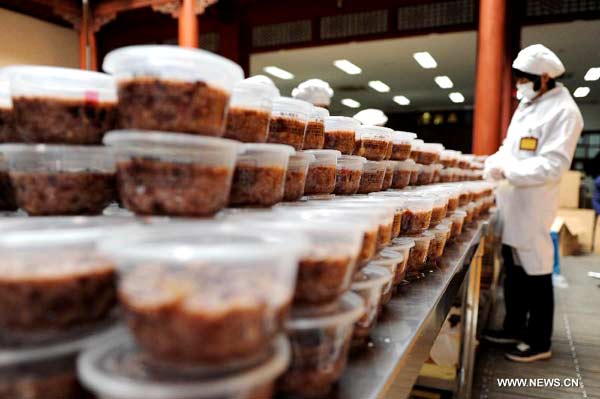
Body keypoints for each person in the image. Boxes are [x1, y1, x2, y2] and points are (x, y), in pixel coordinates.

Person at [482, 44, 584, 363]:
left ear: (543, 77)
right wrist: (494, 161)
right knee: (513, 267)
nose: (518, 86)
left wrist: (506, 169)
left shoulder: (565, 112)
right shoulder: (529, 104)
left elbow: (553, 164)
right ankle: (514, 327)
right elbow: (510, 147)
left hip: (533, 203)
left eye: (523, 79)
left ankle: (539, 341)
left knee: (535, 269)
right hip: (512, 200)